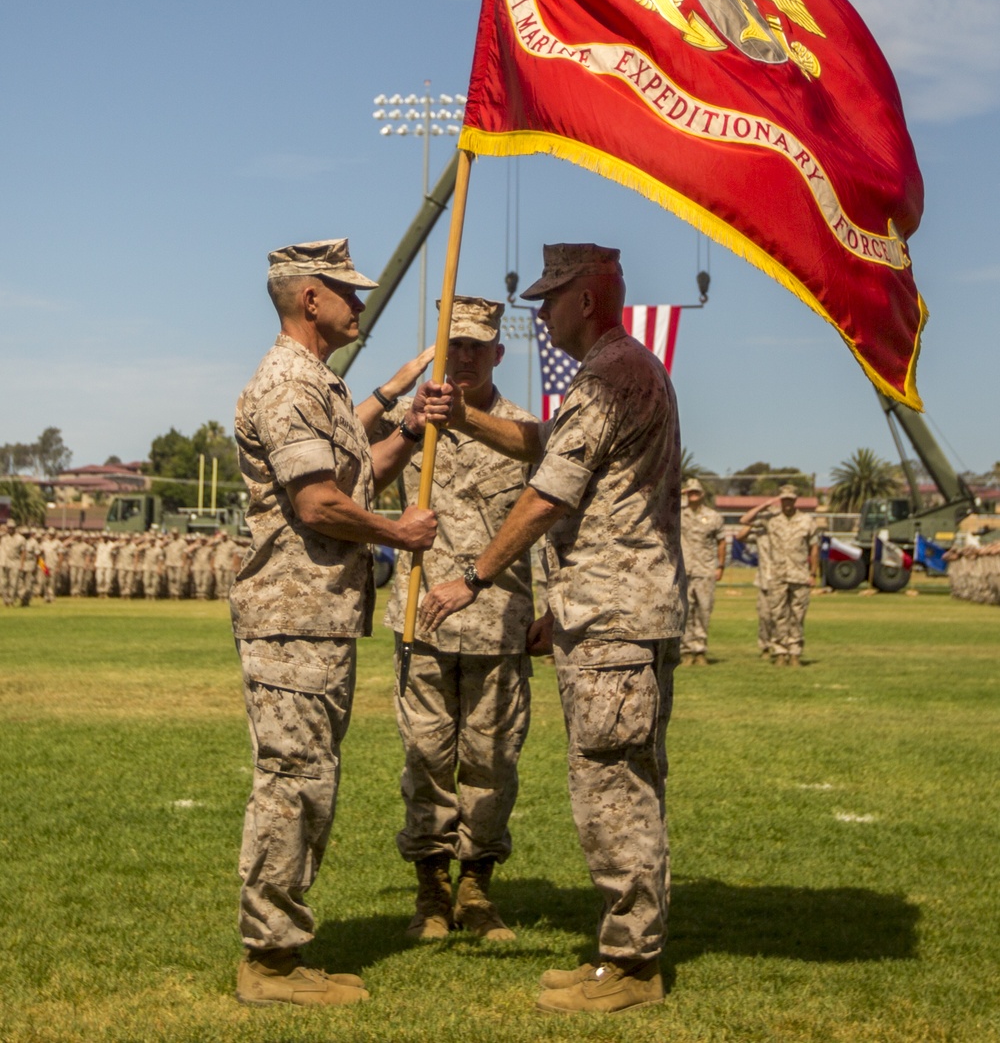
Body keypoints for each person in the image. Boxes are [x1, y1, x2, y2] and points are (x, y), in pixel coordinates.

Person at [420, 243, 684, 1016]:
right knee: (616, 781)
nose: (540, 313)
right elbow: (547, 446)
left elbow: (547, 494)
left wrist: (472, 576)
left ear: (589, 300)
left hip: (612, 618)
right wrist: (466, 418)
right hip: (609, 612)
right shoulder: (618, 372)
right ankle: (619, 954)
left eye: (551, 298)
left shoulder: (607, 377)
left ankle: (632, 967)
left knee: (615, 790)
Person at [231, 237, 449, 1010]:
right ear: (309, 298)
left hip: (316, 617)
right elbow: (317, 503)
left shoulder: (317, 382)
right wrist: (399, 533)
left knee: (309, 780)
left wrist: (408, 430)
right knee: (293, 783)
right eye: (348, 292)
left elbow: (353, 474)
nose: (361, 304)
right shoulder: (290, 383)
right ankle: (270, 962)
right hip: (293, 618)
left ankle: (283, 951)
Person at [380, 296, 534, 943]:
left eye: (477, 346)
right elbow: (356, 467)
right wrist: (405, 414)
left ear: (499, 353)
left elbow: (550, 523)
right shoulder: (410, 422)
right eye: (455, 345)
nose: (465, 356)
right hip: (422, 619)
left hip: (499, 620)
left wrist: (549, 606)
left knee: (492, 761)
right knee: (427, 759)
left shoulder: (527, 431)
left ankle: (477, 885)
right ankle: (431, 890)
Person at [733, 485, 819, 666]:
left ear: (795, 500)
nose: (787, 502)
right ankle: (780, 651)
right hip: (777, 576)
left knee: (797, 615)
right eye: (784, 499)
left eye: (790, 499)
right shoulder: (770, 519)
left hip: (799, 575)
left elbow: (814, 548)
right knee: (778, 615)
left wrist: (813, 573)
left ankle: (794, 652)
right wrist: (764, 506)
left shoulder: (807, 521)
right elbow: (744, 520)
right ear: (780, 500)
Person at [679, 479, 726, 665]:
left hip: (705, 569)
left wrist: (720, 565)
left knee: (704, 610)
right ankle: (686, 651)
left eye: (696, 492)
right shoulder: (678, 512)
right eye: (689, 492)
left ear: (702, 494)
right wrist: (679, 492)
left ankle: (700, 651)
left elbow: (721, 541)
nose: (693, 495)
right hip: (684, 569)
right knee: (684, 611)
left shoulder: (713, 516)